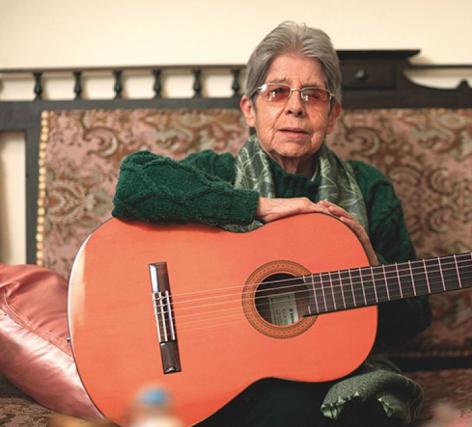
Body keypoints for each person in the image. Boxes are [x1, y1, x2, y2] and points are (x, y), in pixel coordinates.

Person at [112, 21, 431, 427]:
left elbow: (414, 320)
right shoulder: (216, 173)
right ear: (250, 109)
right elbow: (133, 182)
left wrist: (371, 264)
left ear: (332, 114)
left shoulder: (370, 188)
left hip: (332, 371)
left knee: (349, 410)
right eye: (278, 92)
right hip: (217, 368)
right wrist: (255, 206)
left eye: (312, 95)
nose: (295, 107)